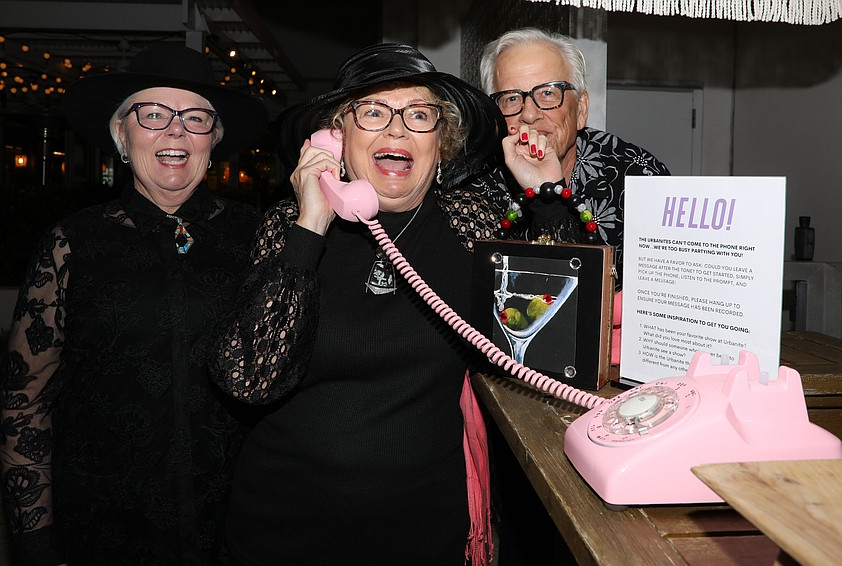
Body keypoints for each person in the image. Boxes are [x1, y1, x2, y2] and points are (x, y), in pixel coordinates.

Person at [210, 43, 507, 566]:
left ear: (441, 142)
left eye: (419, 115)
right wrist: (310, 225)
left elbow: (548, 338)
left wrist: (547, 194)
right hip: (284, 530)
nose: (397, 130)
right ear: (337, 138)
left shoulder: (471, 225)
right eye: (372, 111)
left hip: (422, 531)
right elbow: (250, 379)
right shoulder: (287, 226)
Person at [0, 44, 268, 566]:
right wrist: (36, 542)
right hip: (105, 526)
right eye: (154, 114)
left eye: (195, 118)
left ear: (214, 138)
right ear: (121, 134)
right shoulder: (72, 243)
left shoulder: (258, 238)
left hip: (237, 526)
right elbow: (24, 401)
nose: (176, 132)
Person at [474, 27, 671, 290]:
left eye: (548, 93)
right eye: (511, 98)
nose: (529, 114)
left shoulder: (639, 178)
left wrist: (549, 190)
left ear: (581, 110)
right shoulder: (474, 188)